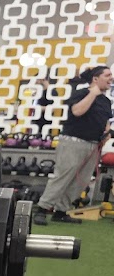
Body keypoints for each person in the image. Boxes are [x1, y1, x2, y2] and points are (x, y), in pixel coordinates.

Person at [33, 65, 112, 225]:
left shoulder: (106, 101)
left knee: (80, 180)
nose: (111, 78)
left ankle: (61, 211)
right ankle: (42, 209)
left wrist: (107, 133)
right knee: (63, 176)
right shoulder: (81, 93)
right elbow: (77, 111)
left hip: (93, 145)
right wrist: (93, 93)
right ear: (95, 79)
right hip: (73, 142)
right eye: (107, 75)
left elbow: (106, 122)